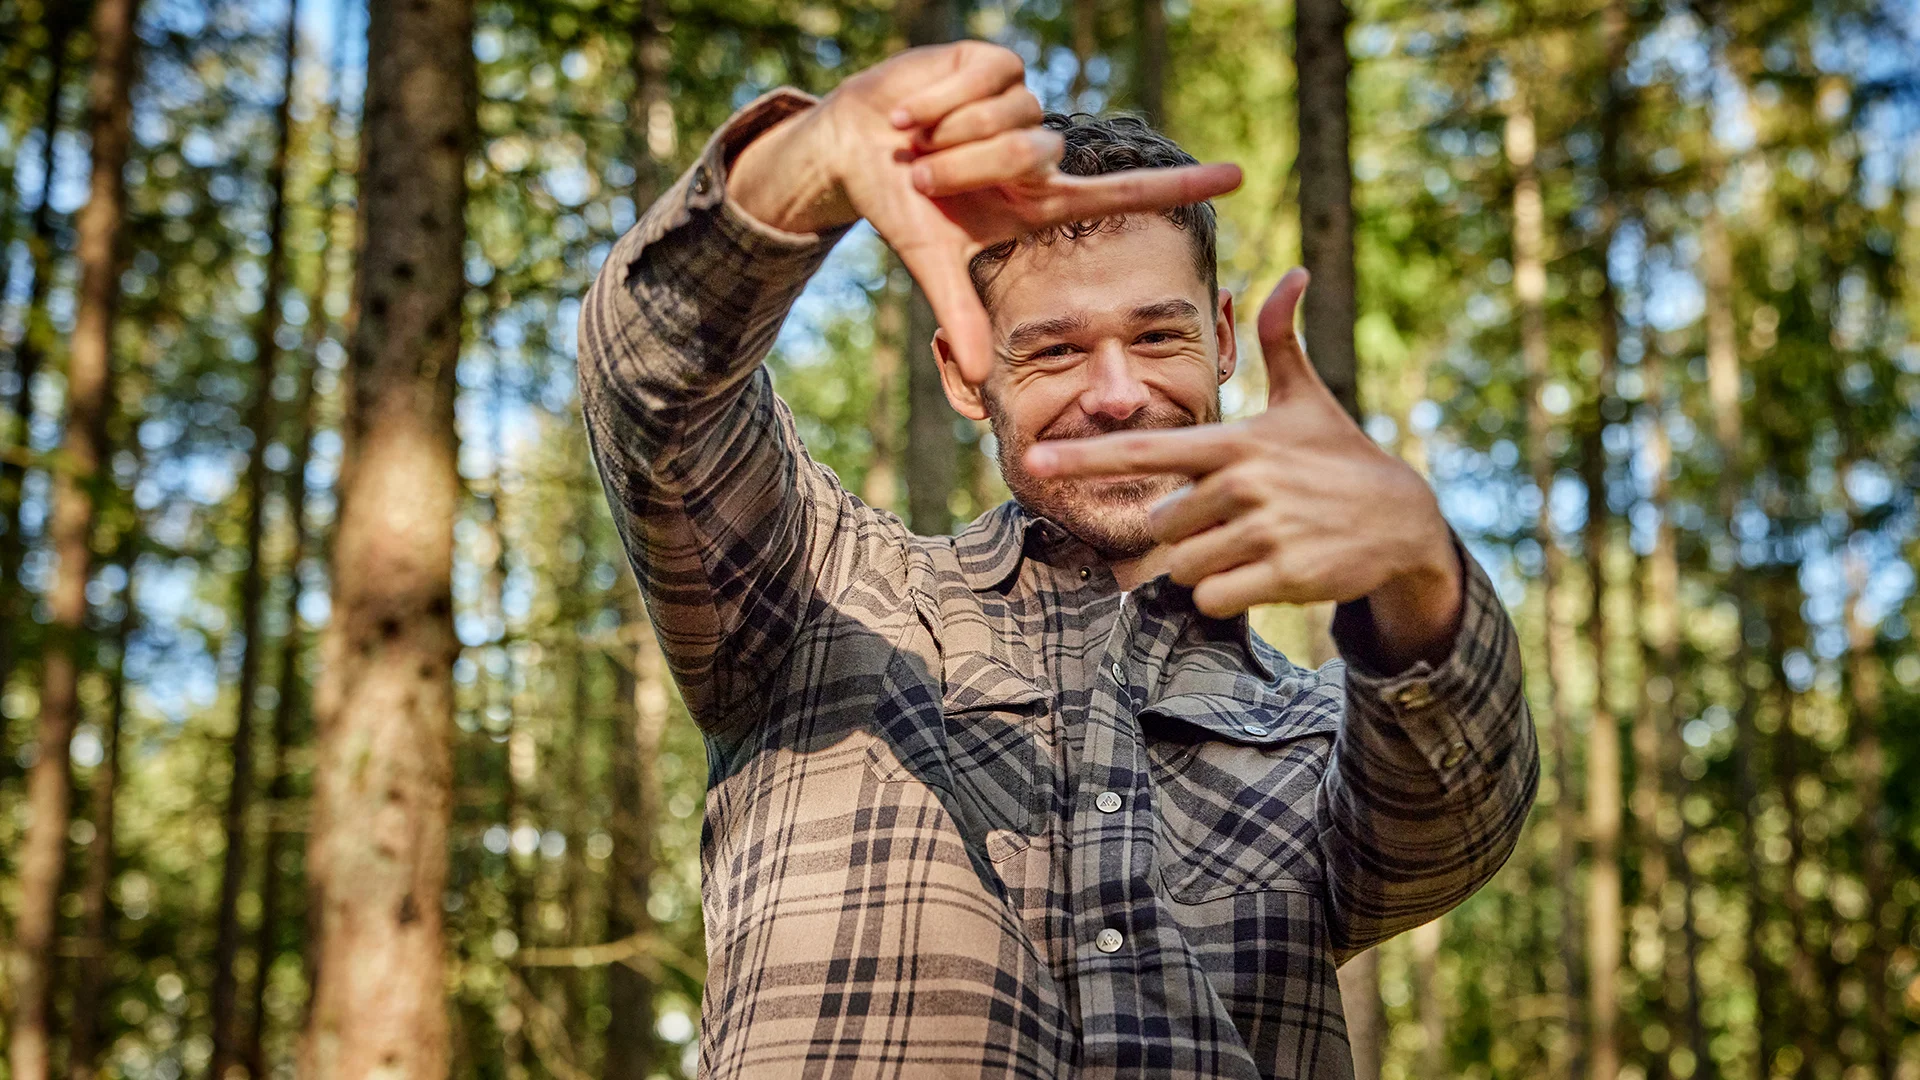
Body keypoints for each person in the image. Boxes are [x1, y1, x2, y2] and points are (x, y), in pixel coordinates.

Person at [578, 40, 1536, 1080]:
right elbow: (654, 391)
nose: (1118, 392)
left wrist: (1421, 575)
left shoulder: (1315, 738)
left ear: (1223, 337)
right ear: (963, 370)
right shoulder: (821, 598)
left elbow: (1457, 818)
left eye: (1158, 337)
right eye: (1055, 349)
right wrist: (803, 167)